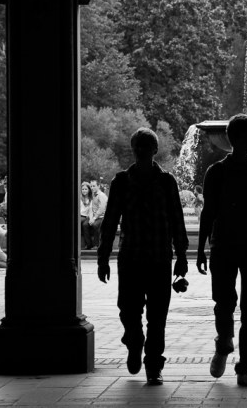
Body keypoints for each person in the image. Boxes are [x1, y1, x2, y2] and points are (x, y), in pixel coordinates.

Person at [97, 128, 188, 385]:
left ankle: (153, 365)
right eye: (138, 146)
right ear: (133, 149)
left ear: (154, 150)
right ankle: (135, 341)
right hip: (133, 257)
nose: (141, 151)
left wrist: (181, 257)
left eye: (146, 147)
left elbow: (177, 220)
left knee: (157, 316)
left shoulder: (167, 181)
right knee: (128, 310)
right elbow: (110, 221)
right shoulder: (121, 181)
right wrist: (103, 257)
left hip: (158, 258)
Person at [196, 114, 247, 387]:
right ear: (238, 139)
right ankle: (226, 343)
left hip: (241, 243)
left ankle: (244, 364)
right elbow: (208, 211)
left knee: (242, 305)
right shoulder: (221, 172)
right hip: (236, 243)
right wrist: (199, 248)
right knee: (228, 301)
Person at [89, 179, 108, 249]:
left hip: (103, 216)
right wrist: (91, 218)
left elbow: (101, 209)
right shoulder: (93, 194)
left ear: (98, 186)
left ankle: (96, 245)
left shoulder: (101, 195)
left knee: (95, 225)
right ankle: (89, 244)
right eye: (91, 186)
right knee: (85, 224)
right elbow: (91, 208)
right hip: (96, 216)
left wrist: (93, 219)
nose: (92, 187)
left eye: (94, 186)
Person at [80, 181, 94, 249]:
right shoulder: (79, 198)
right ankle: (88, 244)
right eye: (83, 189)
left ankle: (89, 244)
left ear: (89, 190)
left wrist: (91, 219)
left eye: (86, 189)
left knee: (85, 224)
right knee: (82, 224)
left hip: (86, 217)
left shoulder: (91, 199)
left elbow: (91, 210)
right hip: (79, 216)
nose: (84, 191)